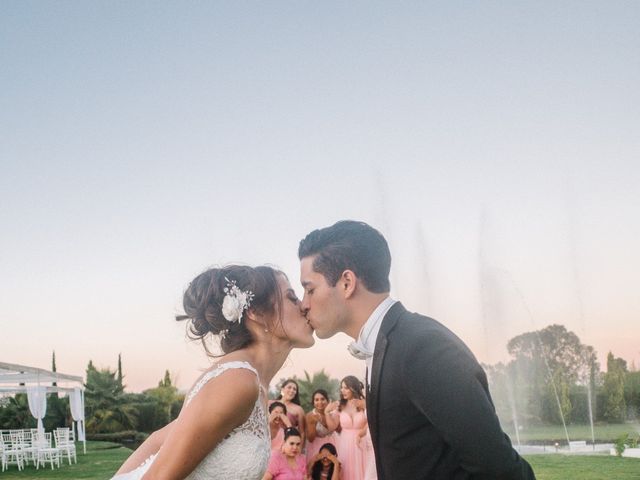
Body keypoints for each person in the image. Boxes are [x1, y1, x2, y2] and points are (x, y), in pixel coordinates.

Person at [298, 220, 536, 480]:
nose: (303, 304)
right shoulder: (386, 346)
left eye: (309, 289)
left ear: (346, 283)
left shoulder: (422, 348)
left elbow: (499, 469)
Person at [112, 265, 314, 480]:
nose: (304, 306)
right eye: (292, 298)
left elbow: (158, 439)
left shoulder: (253, 382)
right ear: (256, 312)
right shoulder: (237, 380)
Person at [324, 376, 367, 480]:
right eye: (341, 387)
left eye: (346, 388)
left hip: (362, 442)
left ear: (353, 388)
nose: (342, 390)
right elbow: (332, 427)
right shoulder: (340, 405)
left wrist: (365, 406)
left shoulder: (363, 403)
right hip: (345, 444)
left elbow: (371, 422)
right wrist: (326, 412)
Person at [304, 389, 337, 462]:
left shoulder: (333, 413)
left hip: (334, 444)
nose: (320, 402)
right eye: (316, 400)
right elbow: (310, 439)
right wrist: (314, 423)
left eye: (322, 399)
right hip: (317, 447)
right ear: (313, 402)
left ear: (327, 400)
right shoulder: (310, 416)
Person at [275, 379, 306, 445]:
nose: (292, 390)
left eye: (294, 389)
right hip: (269, 440)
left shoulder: (298, 409)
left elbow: (302, 432)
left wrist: (299, 449)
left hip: (287, 443)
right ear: (282, 389)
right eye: (289, 387)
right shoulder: (270, 403)